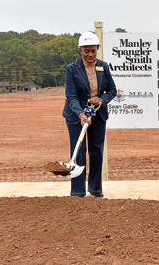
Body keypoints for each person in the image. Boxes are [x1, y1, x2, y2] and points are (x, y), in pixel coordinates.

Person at [62, 31, 117, 197]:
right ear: (80, 50)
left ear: (98, 49)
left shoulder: (103, 66)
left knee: (96, 151)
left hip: (98, 115)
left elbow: (112, 90)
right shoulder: (72, 69)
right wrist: (81, 114)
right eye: (86, 51)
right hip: (75, 116)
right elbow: (71, 96)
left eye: (93, 50)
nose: (90, 54)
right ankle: (78, 192)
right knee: (78, 152)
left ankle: (95, 189)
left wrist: (101, 100)